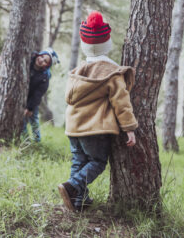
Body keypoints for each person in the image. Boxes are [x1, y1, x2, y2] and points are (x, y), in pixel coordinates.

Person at [58, 11, 138, 212]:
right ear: (107, 43)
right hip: (94, 129)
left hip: (73, 127)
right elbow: (122, 102)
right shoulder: (112, 72)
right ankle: (71, 187)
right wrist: (129, 128)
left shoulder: (78, 72)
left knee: (79, 161)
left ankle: (79, 201)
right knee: (98, 162)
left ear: (85, 44)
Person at [21, 47, 59, 143]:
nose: (41, 60)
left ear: (47, 66)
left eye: (45, 61)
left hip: (33, 100)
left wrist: (30, 108)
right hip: (22, 96)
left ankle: (37, 139)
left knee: (33, 119)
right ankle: (25, 139)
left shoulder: (44, 78)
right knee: (22, 119)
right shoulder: (30, 58)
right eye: (42, 56)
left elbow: (38, 94)